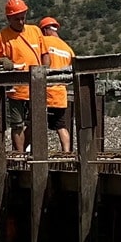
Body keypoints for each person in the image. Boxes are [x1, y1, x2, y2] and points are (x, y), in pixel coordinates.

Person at [0, 0, 44, 152]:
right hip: (16, 89)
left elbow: (44, 54)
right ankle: (19, 154)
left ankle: (22, 149)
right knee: (17, 124)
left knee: (35, 122)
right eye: (17, 19)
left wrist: (45, 71)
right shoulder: (2, 37)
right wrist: (2, 61)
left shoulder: (35, 31)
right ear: (9, 18)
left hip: (35, 86)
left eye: (23, 18)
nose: (21, 22)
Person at [38, 16, 75, 153]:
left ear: (45, 30)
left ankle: (27, 152)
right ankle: (67, 152)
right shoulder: (67, 48)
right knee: (61, 125)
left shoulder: (43, 42)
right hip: (60, 94)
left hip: (45, 92)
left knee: (34, 123)